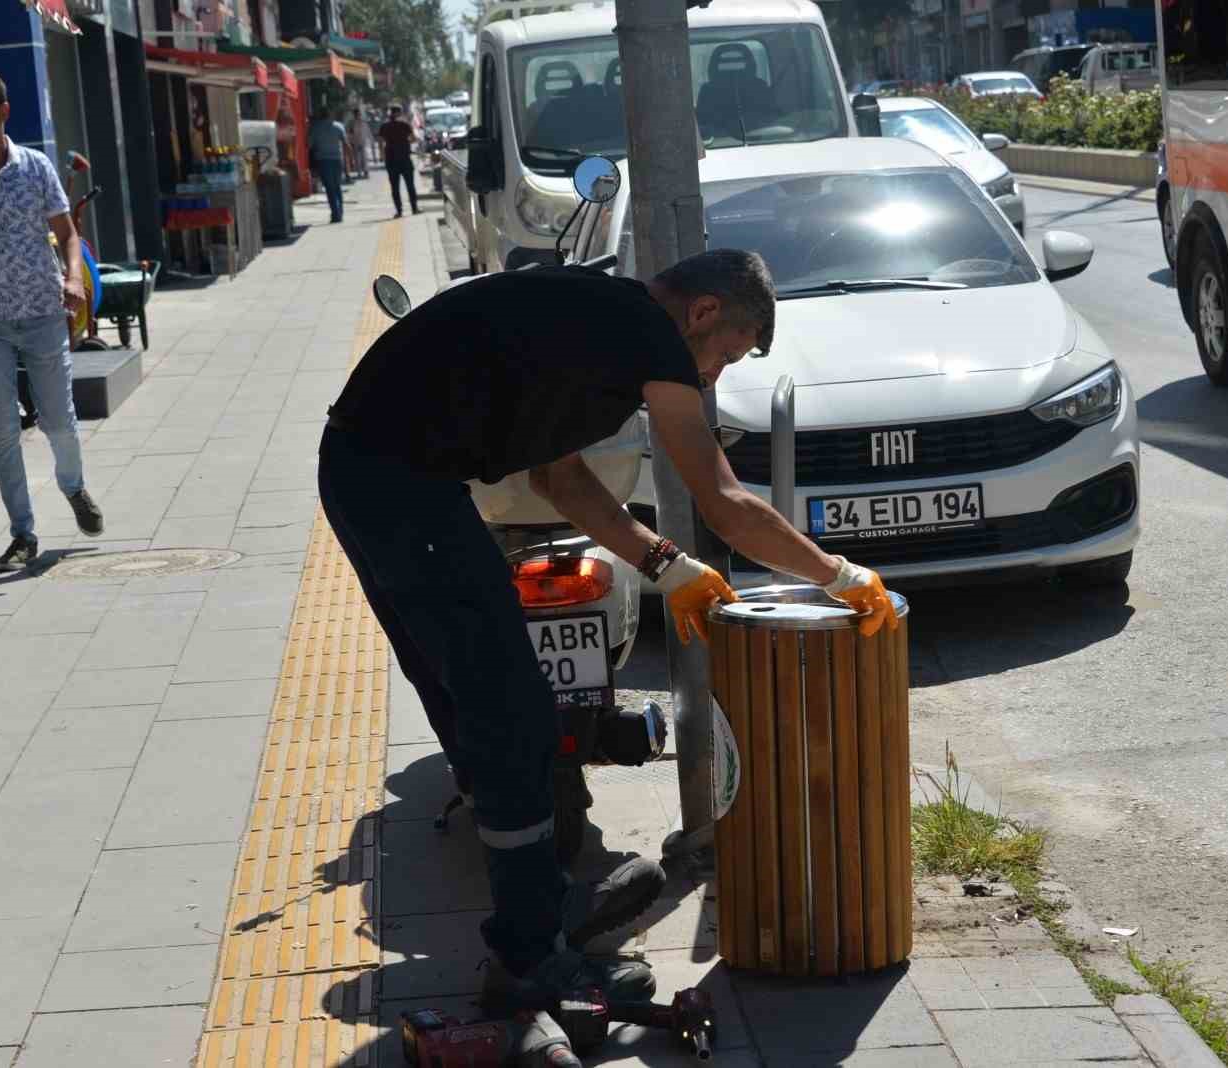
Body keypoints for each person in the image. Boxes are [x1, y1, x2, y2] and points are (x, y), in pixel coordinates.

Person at [318, 250, 894, 1010]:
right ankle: (528, 956)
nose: (714, 379)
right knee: (512, 712)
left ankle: (536, 912)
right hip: (403, 490)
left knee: (476, 706)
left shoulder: (587, 325)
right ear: (703, 313)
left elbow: (560, 479)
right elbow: (721, 498)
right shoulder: (644, 333)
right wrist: (839, 574)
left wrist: (663, 563)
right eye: (724, 355)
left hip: (373, 476)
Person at [0, 68, 104, 572]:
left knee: (59, 421)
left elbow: (69, 235)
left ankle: (73, 487)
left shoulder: (36, 168)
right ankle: (22, 533)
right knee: (5, 432)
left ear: (3, 112)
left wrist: (74, 280)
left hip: (42, 315)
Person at [378, 105, 418, 218]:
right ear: (399, 113)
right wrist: (405, 142)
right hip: (405, 158)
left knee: (395, 187)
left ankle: (399, 211)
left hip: (391, 159)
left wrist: (382, 156)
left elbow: (381, 143)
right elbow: (413, 138)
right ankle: (414, 208)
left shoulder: (384, 126)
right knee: (410, 185)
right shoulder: (405, 125)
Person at [309, 110, 348, 223]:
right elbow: (346, 144)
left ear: (320, 116)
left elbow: (309, 144)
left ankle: (335, 214)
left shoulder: (315, 128)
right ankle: (339, 212)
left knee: (330, 188)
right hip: (337, 160)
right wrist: (350, 161)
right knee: (337, 187)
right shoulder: (339, 126)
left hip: (323, 160)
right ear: (330, 115)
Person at [346, 109, 370, 179]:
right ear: (354, 115)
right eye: (357, 114)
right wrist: (350, 141)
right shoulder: (351, 123)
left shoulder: (363, 122)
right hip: (355, 142)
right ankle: (359, 172)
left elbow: (367, 131)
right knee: (357, 158)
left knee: (364, 157)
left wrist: (370, 140)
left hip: (363, 142)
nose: (358, 115)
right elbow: (349, 132)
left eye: (359, 114)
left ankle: (366, 171)